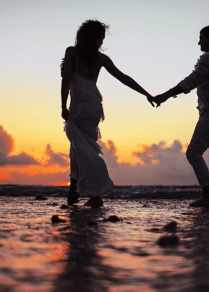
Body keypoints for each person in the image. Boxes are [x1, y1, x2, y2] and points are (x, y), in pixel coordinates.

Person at [61, 19, 153, 207]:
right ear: (94, 38)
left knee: (83, 149)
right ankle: (73, 190)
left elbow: (66, 80)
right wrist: (147, 94)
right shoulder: (100, 58)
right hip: (92, 107)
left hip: (82, 108)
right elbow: (124, 78)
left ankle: (94, 194)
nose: (101, 42)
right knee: (79, 148)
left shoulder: (73, 52)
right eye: (100, 38)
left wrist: (63, 106)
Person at [152, 25, 209, 208]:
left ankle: (207, 194)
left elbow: (191, 81)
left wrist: (163, 96)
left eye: (202, 37)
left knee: (193, 153)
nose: (199, 42)